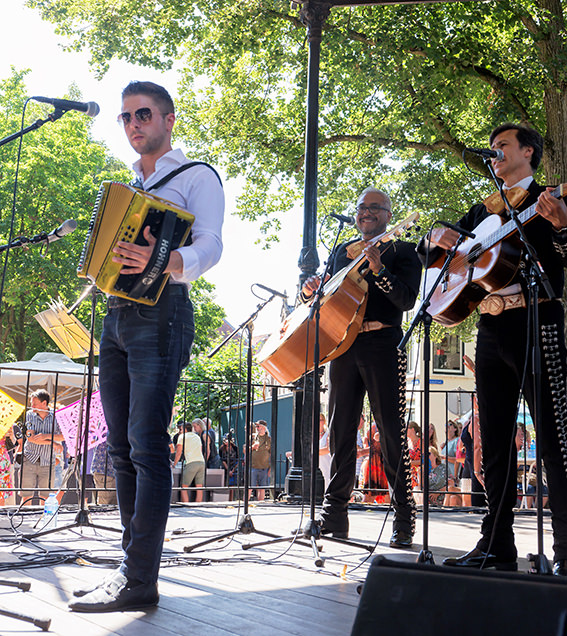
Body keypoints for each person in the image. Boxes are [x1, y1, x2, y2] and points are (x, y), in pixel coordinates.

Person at [69, 80, 224, 612]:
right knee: (120, 448)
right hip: (116, 316)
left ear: (168, 119)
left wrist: (163, 260)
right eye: (126, 117)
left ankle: (138, 579)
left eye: (143, 114)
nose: (133, 124)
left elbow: (211, 245)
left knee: (146, 445)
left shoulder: (197, 175)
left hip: (162, 314)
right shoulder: (129, 185)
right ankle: (130, 571)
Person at [418, 123, 567, 575]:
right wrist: (435, 238)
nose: (495, 153)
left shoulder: (549, 198)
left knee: (555, 439)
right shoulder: (481, 210)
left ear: (528, 151)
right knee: (495, 445)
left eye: (502, 146)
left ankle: (566, 549)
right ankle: (496, 545)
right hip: (490, 326)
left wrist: (561, 226)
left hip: (536, 321)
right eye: (492, 147)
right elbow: (431, 258)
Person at [301, 187, 422, 546]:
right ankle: (334, 515)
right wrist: (311, 290)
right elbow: (327, 294)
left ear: (388, 214)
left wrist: (379, 269)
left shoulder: (403, 250)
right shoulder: (342, 250)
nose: (366, 213)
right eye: (361, 208)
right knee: (340, 431)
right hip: (343, 345)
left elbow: (406, 300)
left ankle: (403, 518)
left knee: (391, 431)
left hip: (384, 343)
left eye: (374, 207)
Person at [20, 390, 64, 505]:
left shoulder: (57, 416)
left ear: (44, 403)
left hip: (48, 461)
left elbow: (63, 436)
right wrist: (53, 443)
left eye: (34, 403)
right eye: (31, 403)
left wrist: (46, 436)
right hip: (29, 459)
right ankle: (24, 516)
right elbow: (31, 438)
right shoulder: (30, 414)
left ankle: (44, 516)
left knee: (46, 498)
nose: (32, 406)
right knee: (26, 496)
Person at [174, 421, 205, 503]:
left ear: (185, 429)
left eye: (181, 429)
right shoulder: (197, 437)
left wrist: (174, 464)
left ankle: (186, 507)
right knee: (199, 487)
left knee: (183, 487)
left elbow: (178, 453)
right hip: (201, 462)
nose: (179, 431)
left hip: (191, 463)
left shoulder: (182, 437)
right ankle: (198, 506)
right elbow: (200, 450)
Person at [249, 420, 271, 502]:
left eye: (258, 426)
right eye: (256, 426)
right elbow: (245, 450)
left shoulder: (269, 439)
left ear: (263, 428)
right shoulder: (252, 437)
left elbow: (272, 454)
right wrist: (252, 447)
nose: (257, 428)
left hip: (264, 467)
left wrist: (270, 469)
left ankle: (260, 504)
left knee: (262, 488)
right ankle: (245, 504)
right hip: (253, 466)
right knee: (249, 487)